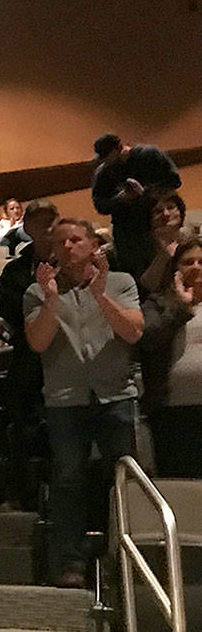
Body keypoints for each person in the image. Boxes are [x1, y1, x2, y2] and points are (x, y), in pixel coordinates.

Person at [24, 219, 142, 588]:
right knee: (68, 480)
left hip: (115, 396)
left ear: (94, 245)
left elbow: (132, 331)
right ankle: (69, 563)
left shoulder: (121, 282)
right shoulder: (38, 291)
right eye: (60, 242)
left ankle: (126, 560)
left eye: (76, 239)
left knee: (123, 481)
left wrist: (101, 294)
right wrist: (52, 300)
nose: (68, 246)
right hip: (65, 403)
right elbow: (38, 343)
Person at [0, 200, 59, 511]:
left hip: (67, 360)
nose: (48, 228)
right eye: (41, 222)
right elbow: (9, 311)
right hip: (28, 360)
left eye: (53, 221)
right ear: (28, 229)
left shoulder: (73, 262)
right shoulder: (15, 270)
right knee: (21, 430)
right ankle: (22, 495)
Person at [139, 237, 202, 477]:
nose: (196, 266)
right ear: (175, 269)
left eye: (201, 261)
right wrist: (182, 307)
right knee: (179, 482)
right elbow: (149, 339)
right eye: (188, 262)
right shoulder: (158, 304)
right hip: (171, 410)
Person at [92, 133, 181, 284]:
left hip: (157, 223)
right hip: (126, 231)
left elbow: (174, 181)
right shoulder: (104, 171)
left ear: (119, 148)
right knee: (132, 277)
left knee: (164, 271)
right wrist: (120, 200)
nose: (105, 161)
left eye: (107, 155)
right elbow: (100, 205)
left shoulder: (149, 155)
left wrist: (144, 192)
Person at [138, 191, 189, 296]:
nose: (166, 214)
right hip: (156, 302)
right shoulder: (143, 245)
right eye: (158, 211)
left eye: (170, 207)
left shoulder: (188, 240)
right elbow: (148, 285)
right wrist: (164, 255)